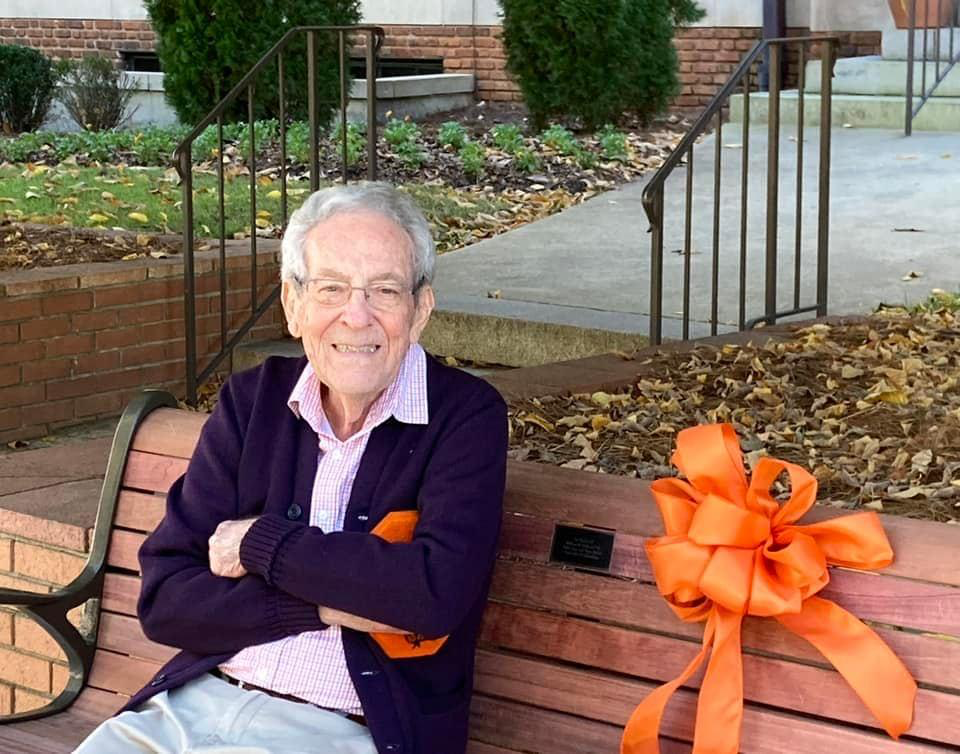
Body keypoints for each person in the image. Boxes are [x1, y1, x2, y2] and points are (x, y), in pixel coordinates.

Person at [74, 182, 508, 754]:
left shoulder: (465, 416)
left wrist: (259, 544)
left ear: (420, 308)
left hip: (347, 728)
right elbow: (168, 602)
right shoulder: (252, 402)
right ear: (293, 303)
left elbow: (432, 597)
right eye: (331, 289)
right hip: (190, 704)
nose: (357, 317)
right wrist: (329, 601)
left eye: (384, 290)